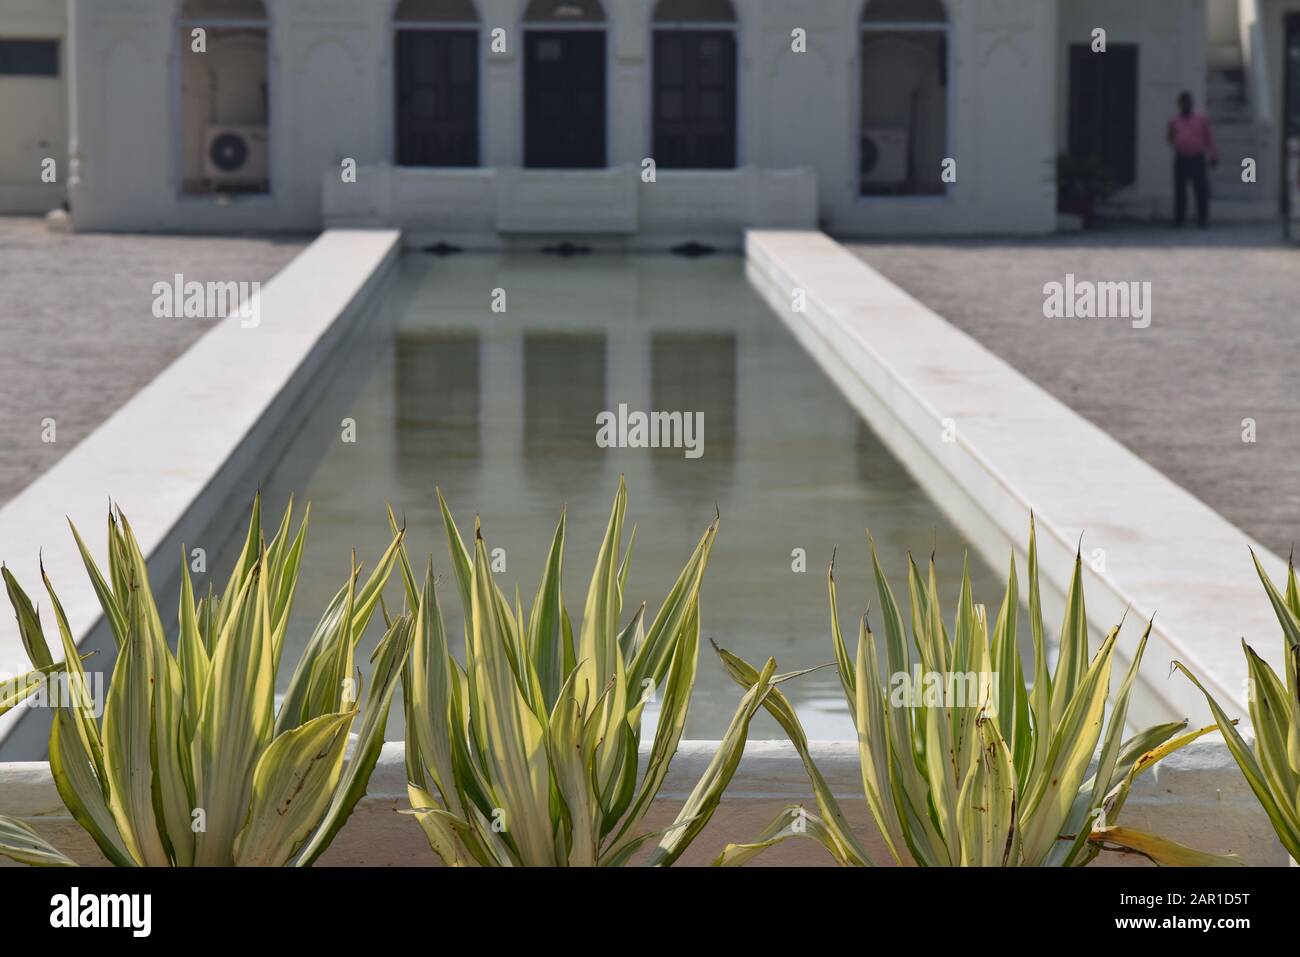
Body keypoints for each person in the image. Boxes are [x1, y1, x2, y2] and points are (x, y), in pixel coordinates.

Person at [1167, 90, 1218, 227]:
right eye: (1183, 102)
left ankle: (1202, 219)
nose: (1186, 104)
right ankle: (1179, 220)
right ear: (1179, 104)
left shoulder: (1201, 119)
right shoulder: (1174, 120)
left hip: (1197, 158)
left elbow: (1209, 139)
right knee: (1180, 190)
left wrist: (1213, 155)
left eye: (1188, 101)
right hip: (1181, 158)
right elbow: (1170, 138)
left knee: (1200, 190)